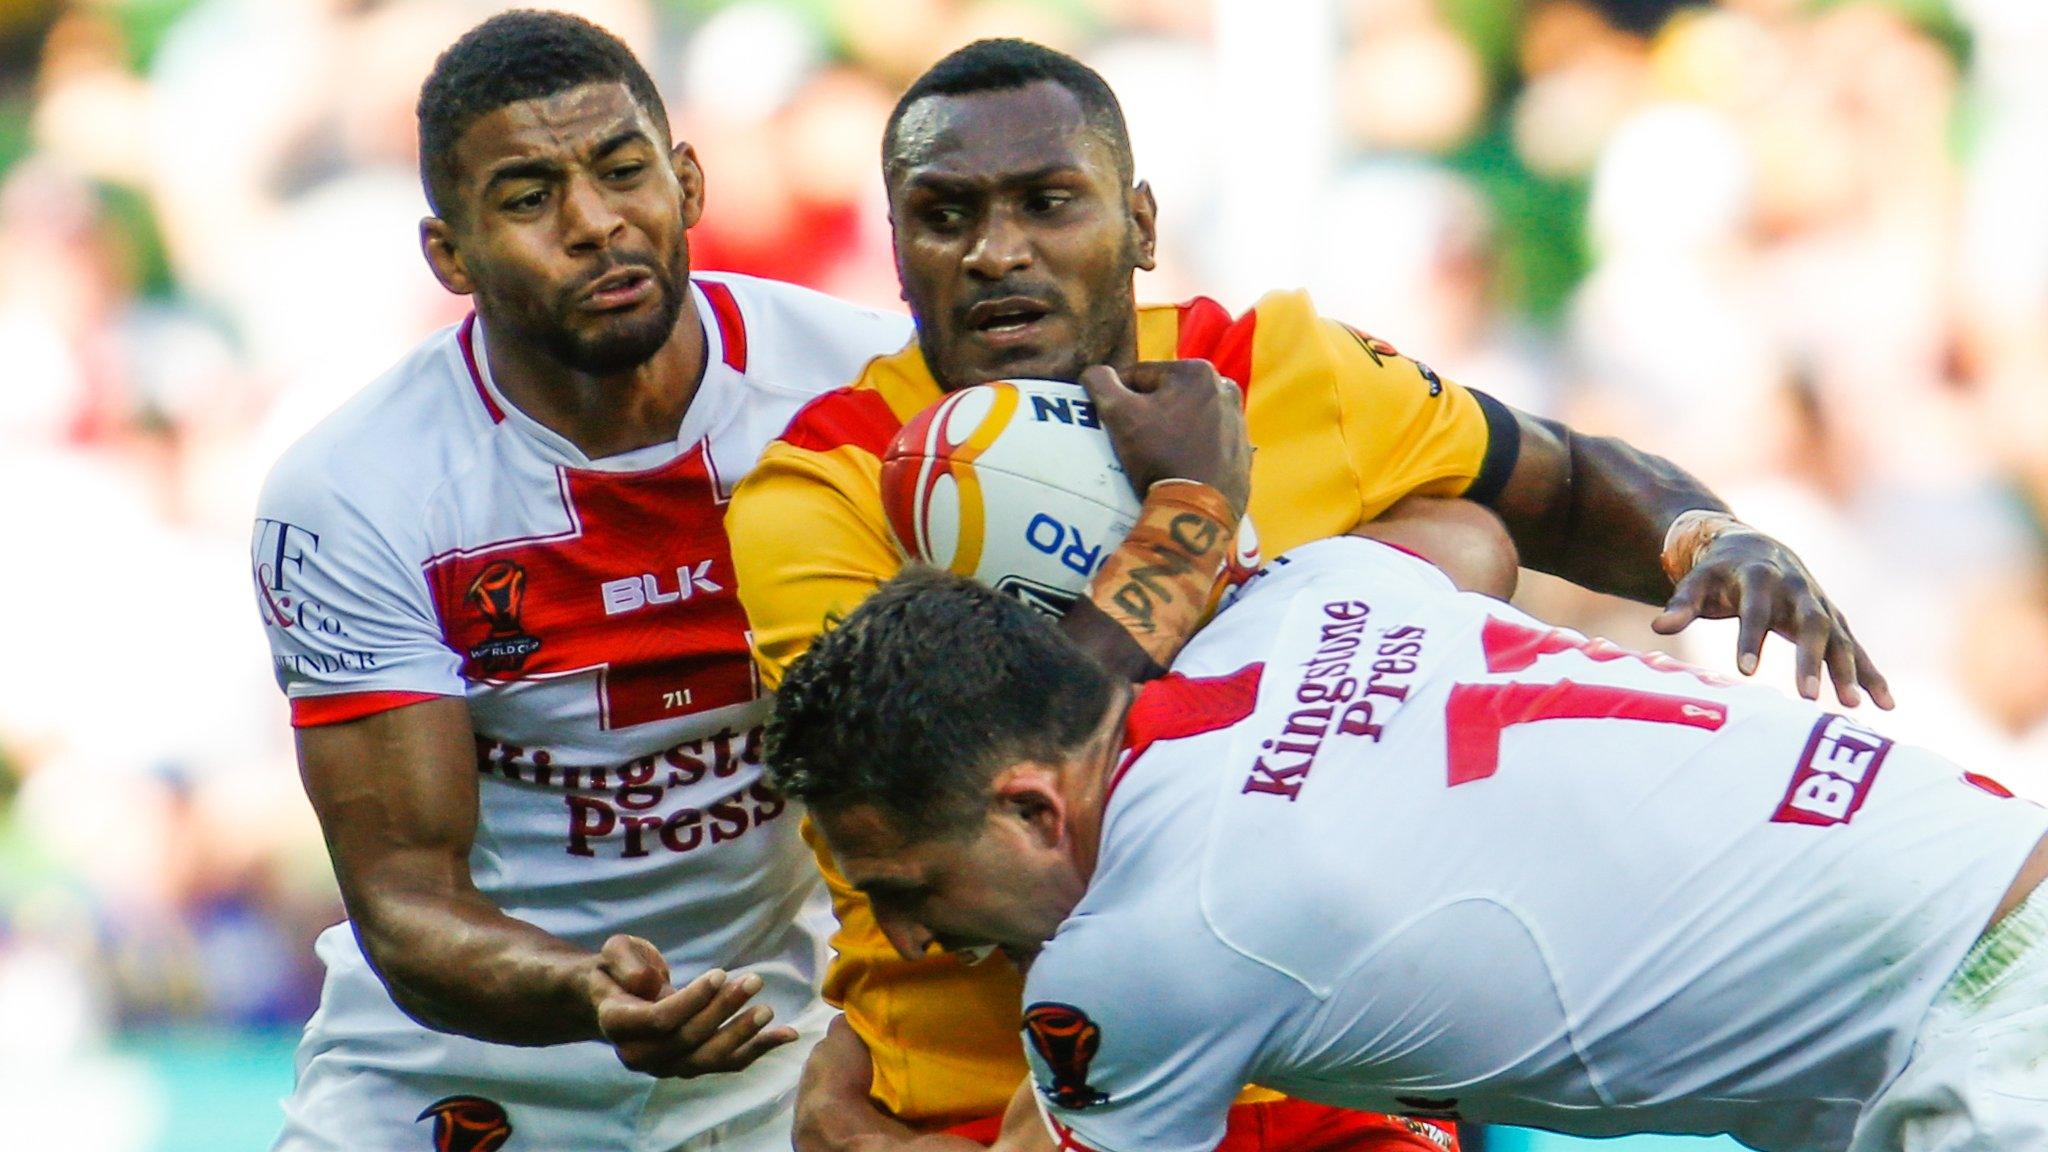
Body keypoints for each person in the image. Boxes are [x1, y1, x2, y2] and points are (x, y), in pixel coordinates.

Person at [723, 37, 1890, 1151]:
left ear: (1137, 223)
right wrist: (1191, 512)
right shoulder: (813, 493)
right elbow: (979, 775)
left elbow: (1564, 479)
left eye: (1046, 201)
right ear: (894, 243)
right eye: (945, 215)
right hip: (1005, 1103)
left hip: (1337, 1073)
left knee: (1461, 537)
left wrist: (1709, 534)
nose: (995, 251)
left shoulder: (1274, 368)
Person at [250, 12, 1246, 1150]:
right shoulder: (353, 491)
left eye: (623, 173)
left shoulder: (870, 394)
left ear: (686, 180)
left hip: (762, 1050)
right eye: (527, 198)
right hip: (458, 1067)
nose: (593, 224)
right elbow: (405, 898)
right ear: (450, 253)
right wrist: (584, 991)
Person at [765, 530, 2048, 1152]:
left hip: (1987, 1042)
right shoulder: (1317, 585)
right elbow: (1465, 533)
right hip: (1990, 913)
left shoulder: (1144, 949)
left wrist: (853, 1141)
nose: (914, 936)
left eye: (907, 886)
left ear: (1035, 807)